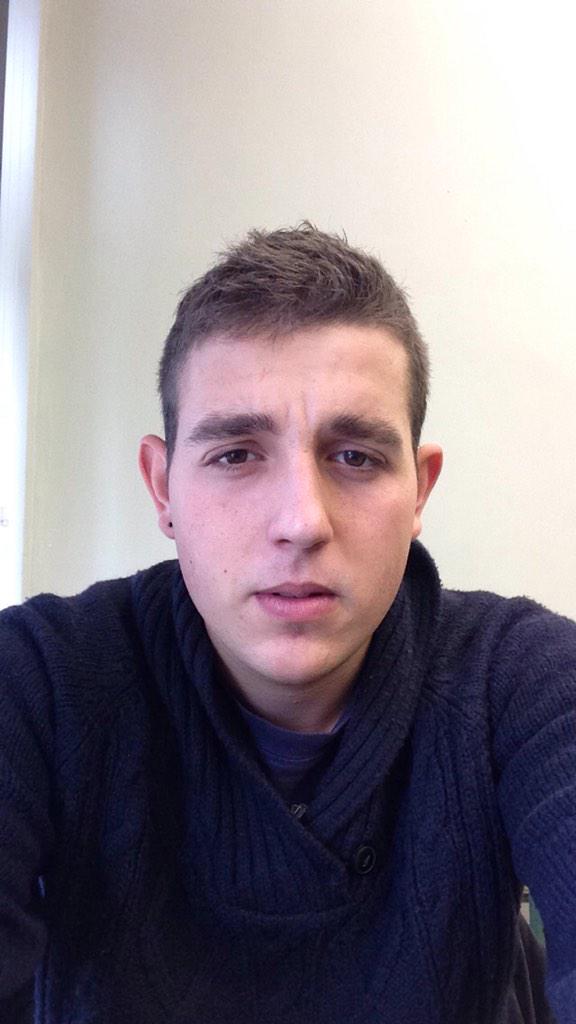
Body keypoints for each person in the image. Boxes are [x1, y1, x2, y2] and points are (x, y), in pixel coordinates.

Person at [0, 224, 574, 1024]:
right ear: (163, 488)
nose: (302, 522)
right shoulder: (35, 680)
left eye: (356, 457)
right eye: (236, 454)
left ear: (420, 490)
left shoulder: (524, 683)